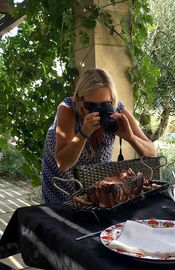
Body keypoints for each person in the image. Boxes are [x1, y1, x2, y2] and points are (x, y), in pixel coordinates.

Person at [42, 68, 157, 203]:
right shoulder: (68, 109)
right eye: (92, 105)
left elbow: (152, 153)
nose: (99, 110)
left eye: (105, 105)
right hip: (61, 188)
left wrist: (130, 137)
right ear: (80, 101)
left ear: (112, 101)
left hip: (95, 194)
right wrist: (83, 133)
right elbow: (62, 163)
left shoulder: (116, 109)